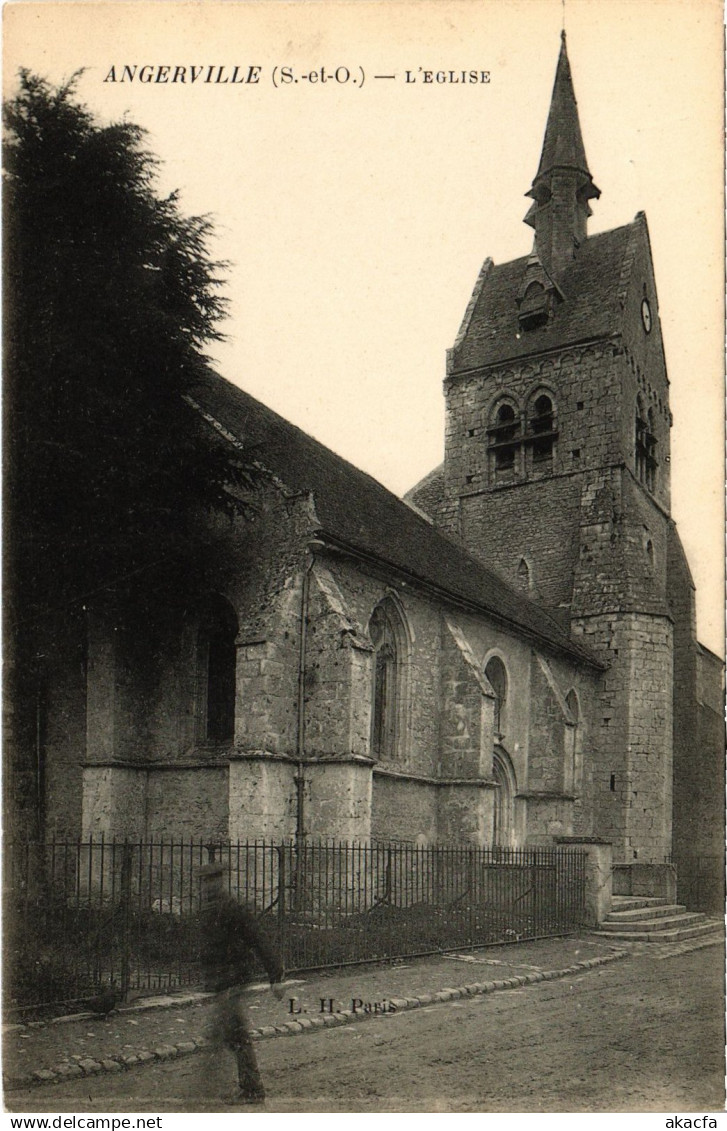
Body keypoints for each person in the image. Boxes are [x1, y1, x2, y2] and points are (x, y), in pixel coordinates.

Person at [198, 861, 285, 1106]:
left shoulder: (233, 908)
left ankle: (252, 1090)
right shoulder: (209, 909)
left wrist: (275, 976)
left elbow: (258, 939)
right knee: (227, 1033)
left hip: (234, 980)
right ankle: (243, 1085)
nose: (208, 886)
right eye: (205, 882)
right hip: (222, 982)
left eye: (212, 881)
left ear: (220, 881)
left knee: (235, 1034)